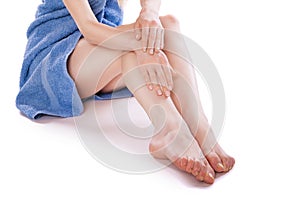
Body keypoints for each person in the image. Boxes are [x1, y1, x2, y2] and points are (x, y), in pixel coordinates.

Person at [16, 0, 235, 184]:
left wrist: (149, 13)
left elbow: (150, 14)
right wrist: (144, 47)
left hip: (101, 47)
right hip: (57, 55)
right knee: (132, 53)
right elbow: (89, 28)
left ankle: (198, 123)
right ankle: (170, 129)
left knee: (168, 24)